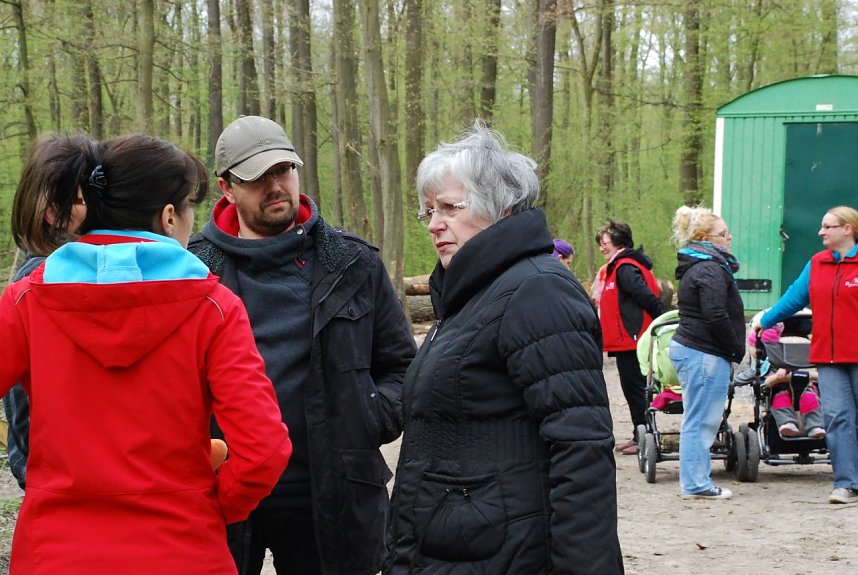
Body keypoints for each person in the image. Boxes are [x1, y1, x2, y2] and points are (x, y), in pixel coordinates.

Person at [0, 133, 292, 573]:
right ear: (170, 215)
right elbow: (264, 450)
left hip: (56, 553)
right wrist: (213, 505)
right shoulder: (214, 308)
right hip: (184, 549)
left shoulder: (26, 301)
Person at [386, 121, 624, 574]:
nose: (434, 224)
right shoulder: (471, 296)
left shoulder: (537, 292)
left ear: (500, 209)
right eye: (428, 211)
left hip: (506, 556)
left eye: (450, 208)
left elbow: (581, 449)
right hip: (458, 551)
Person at [188, 115, 417, 575]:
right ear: (227, 188)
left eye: (283, 171)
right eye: (257, 178)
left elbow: (402, 368)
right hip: (222, 498)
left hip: (336, 496)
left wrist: (368, 414)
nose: (275, 186)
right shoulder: (194, 270)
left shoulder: (352, 263)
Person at [4, 133, 96, 490]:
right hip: (59, 484)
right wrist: (40, 476)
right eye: (82, 198)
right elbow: (19, 401)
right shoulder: (38, 286)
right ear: (53, 212)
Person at [752, 206, 858, 504]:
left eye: (828, 226)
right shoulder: (817, 263)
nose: (821, 232)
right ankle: (846, 484)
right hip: (829, 356)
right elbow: (793, 299)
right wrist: (765, 320)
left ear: (847, 229)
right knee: (837, 418)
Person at [668, 205, 744, 500]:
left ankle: (695, 481)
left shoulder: (699, 265)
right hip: (704, 352)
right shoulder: (710, 269)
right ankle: (696, 483)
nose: (729, 238)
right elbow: (715, 314)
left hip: (696, 349)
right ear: (706, 238)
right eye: (723, 234)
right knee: (701, 420)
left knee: (697, 418)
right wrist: (736, 348)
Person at [595, 221, 667, 455]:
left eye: (604, 242)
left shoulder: (625, 268)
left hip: (634, 341)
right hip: (627, 342)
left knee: (636, 389)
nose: (601, 248)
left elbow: (646, 298)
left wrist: (665, 322)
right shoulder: (618, 267)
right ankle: (640, 433)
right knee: (632, 388)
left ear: (618, 241)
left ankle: (644, 434)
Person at [746, 321, 825, 439]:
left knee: (810, 398)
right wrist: (732, 383)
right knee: (781, 400)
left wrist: (786, 368)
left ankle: (815, 426)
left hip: (801, 386)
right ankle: (787, 424)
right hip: (777, 390)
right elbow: (747, 375)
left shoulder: (785, 358)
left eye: (752, 346)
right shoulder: (759, 367)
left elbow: (794, 366)